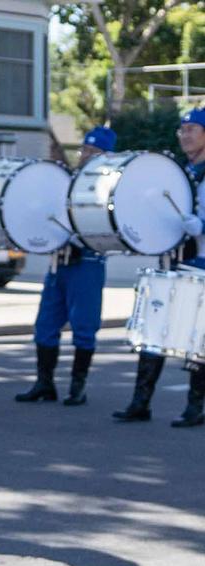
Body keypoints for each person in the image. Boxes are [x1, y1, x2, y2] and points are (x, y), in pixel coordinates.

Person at [113, 107, 205, 427]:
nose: (185, 135)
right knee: (152, 332)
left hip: (202, 264)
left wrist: (202, 225)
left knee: (198, 339)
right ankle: (141, 402)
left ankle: (196, 406)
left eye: (192, 129)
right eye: (183, 130)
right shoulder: (176, 173)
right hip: (172, 261)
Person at [16, 126, 115, 406]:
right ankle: (44, 383)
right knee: (45, 323)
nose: (86, 156)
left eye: (94, 152)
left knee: (85, 325)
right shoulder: (68, 180)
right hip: (58, 262)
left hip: (87, 261)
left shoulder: (110, 186)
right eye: (85, 150)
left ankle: (77, 386)